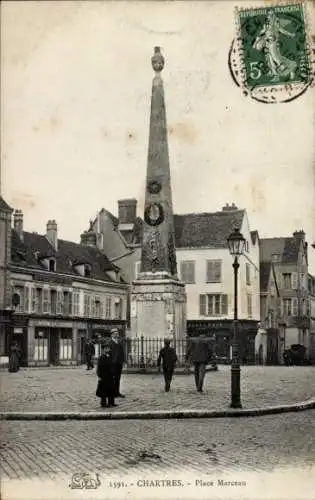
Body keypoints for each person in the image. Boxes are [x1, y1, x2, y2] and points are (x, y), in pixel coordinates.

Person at [96, 341, 117, 408]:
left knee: (111, 389)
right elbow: (99, 367)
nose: (107, 349)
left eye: (108, 348)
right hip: (104, 376)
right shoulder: (101, 357)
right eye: (105, 348)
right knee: (103, 390)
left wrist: (114, 373)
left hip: (110, 376)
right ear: (103, 349)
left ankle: (111, 402)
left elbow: (113, 366)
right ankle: (103, 403)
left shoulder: (110, 357)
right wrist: (99, 376)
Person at [110, 328, 125, 398]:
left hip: (119, 364)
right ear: (112, 334)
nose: (117, 335)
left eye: (117, 333)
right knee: (112, 379)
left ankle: (117, 392)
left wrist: (123, 361)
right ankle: (112, 393)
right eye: (115, 334)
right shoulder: (110, 343)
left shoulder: (119, 343)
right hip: (112, 364)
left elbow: (122, 353)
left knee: (118, 379)